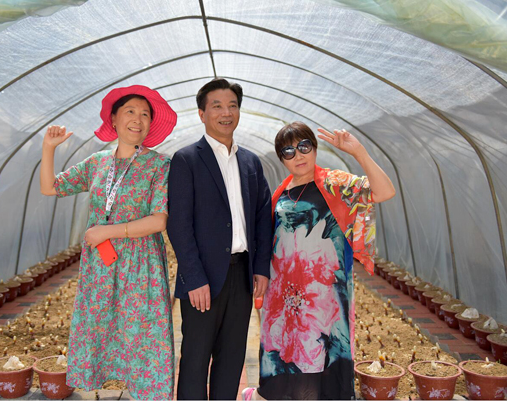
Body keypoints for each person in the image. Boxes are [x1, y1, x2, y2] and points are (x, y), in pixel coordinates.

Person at [39, 85, 177, 400]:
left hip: (140, 265)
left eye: (145, 114)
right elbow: (50, 188)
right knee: (102, 328)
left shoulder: (159, 165)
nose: (138, 119)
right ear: (114, 119)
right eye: (130, 112)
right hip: (102, 265)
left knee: (142, 335)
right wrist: (48, 148)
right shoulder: (97, 162)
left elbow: (158, 220)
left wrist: (107, 232)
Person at [242, 122, 396, 400]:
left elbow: (384, 192)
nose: (298, 155)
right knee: (286, 351)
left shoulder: (335, 184)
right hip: (284, 296)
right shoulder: (281, 193)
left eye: (304, 146)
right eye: (288, 151)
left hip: (323, 294)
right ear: (281, 159)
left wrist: (359, 152)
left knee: (321, 349)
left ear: (314, 148)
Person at [167, 78, 272, 400]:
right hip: (203, 279)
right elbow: (179, 225)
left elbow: (262, 218)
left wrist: (261, 268)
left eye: (232, 106)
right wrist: (194, 277)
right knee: (195, 359)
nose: (226, 113)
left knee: (232, 358)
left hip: (242, 275)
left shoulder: (250, 162)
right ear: (202, 113)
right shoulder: (186, 159)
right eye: (217, 106)